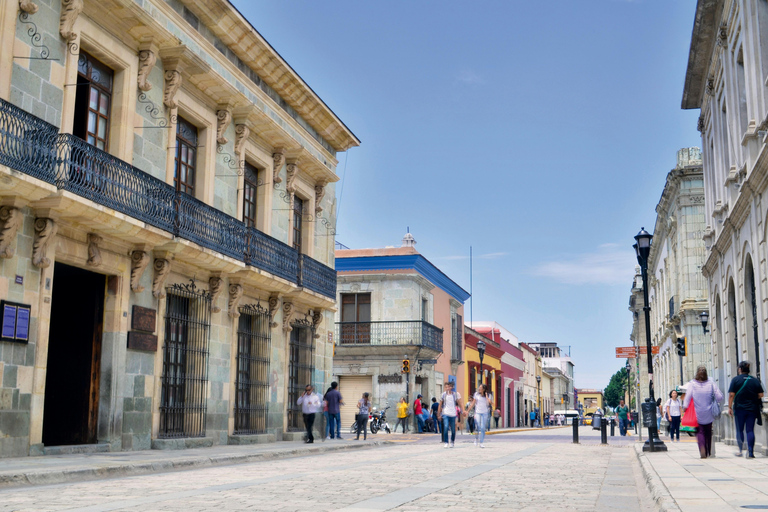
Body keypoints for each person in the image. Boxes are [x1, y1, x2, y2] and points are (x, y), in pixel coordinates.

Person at [684, 365, 724, 458]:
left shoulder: (692, 384)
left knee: (700, 431)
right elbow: (720, 397)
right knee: (708, 431)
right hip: (709, 412)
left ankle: (702, 448)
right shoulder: (711, 383)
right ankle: (708, 451)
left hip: (697, 413)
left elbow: (687, 398)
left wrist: (685, 408)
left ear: (697, 373)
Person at [728, 360, 765, 458]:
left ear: (740, 369)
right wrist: (752, 397)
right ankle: (751, 452)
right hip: (752, 409)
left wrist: (729, 407)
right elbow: (761, 394)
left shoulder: (735, 380)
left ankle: (740, 450)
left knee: (740, 430)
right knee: (750, 430)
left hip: (739, 409)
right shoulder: (754, 380)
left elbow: (731, 395)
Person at [437, 381, 464, 447]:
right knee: (446, 427)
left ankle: (452, 441)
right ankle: (446, 442)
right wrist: (438, 414)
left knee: (453, 429)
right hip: (445, 413)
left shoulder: (456, 394)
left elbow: (460, 403)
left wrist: (463, 411)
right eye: (446, 387)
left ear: (452, 387)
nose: (447, 388)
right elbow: (440, 404)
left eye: (449, 387)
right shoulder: (443, 395)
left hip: (453, 413)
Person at [468, 383, 491, 448]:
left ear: (483, 389)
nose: (479, 388)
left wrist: (486, 397)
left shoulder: (488, 395)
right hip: (478, 412)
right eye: (479, 387)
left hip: (485, 413)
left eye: (480, 387)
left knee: (483, 428)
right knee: (478, 426)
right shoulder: (476, 394)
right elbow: (473, 403)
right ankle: (476, 439)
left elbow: (490, 403)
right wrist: (468, 410)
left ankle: (481, 442)